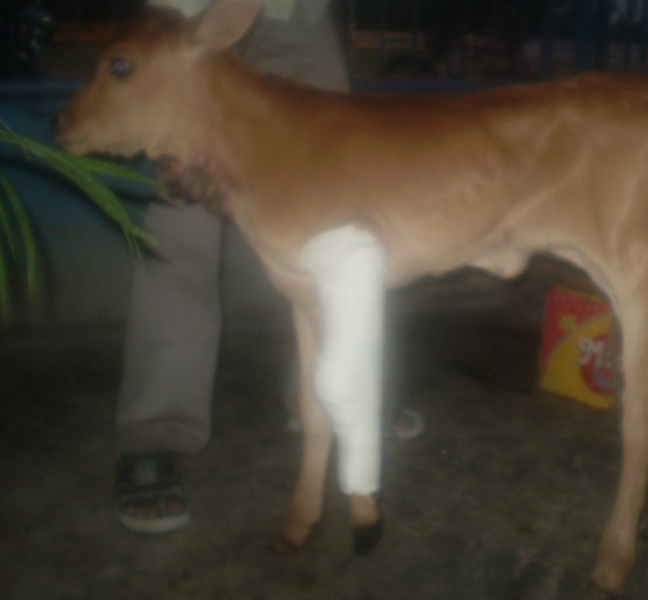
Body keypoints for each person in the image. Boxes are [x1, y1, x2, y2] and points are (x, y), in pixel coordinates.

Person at [113, 0, 423, 535]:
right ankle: (156, 432)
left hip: (293, 16)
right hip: (188, 15)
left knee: (336, 202)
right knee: (182, 222)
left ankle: (336, 398)